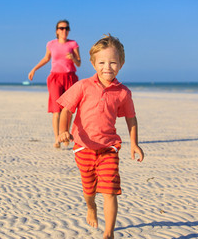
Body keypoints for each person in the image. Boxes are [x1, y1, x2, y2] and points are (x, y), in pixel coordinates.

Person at [57, 34, 144, 239]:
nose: (107, 67)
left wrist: (134, 144)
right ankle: (91, 207)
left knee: (110, 191)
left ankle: (109, 233)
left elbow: (131, 119)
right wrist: (63, 130)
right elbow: (66, 111)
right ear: (93, 63)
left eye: (113, 62)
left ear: (121, 64)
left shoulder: (123, 92)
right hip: (83, 147)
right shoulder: (83, 86)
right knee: (89, 191)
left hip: (109, 148)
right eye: (102, 62)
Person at [28, 19, 81, 148]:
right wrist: (34, 69)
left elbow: (79, 63)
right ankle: (57, 138)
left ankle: (66, 135)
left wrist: (73, 58)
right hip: (55, 78)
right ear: (57, 31)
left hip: (70, 78)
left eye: (67, 28)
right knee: (56, 110)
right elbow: (46, 58)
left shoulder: (73, 44)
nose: (64, 31)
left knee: (68, 109)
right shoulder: (51, 44)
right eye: (62, 28)